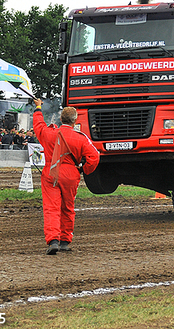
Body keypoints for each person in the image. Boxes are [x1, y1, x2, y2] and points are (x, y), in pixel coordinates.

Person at [33, 98, 100, 255]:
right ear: (74, 120)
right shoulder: (80, 137)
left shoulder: (49, 133)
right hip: (71, 173)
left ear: (60, 119)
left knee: (51, 208)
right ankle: (64, 241)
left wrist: (38, 108)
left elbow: (38, 126)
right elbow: (95, 156)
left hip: (51, 171)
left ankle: (53, 240)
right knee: (67, 208)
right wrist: (84, 169)